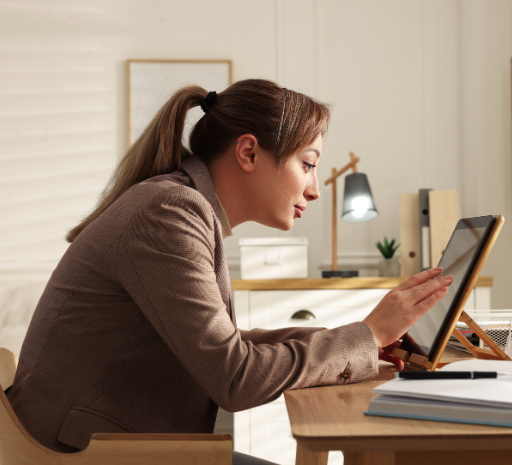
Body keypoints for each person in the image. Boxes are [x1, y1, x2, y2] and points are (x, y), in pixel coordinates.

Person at [7, 79, 451, 464]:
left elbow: (227, 347)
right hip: (78, 455)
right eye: (309, 164)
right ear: (248, 151)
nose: (315, 189)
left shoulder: (181, 207)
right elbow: (236, 378)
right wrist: (366, 336)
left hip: (103, 442)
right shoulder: (169, 212)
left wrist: (360, 339)